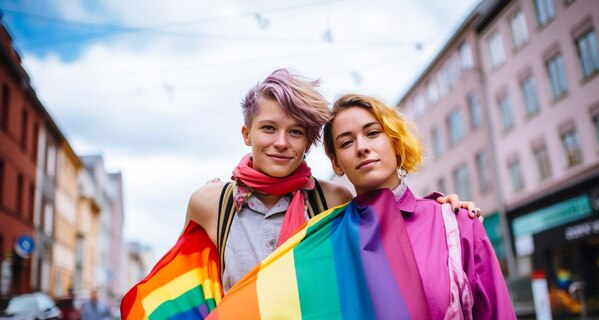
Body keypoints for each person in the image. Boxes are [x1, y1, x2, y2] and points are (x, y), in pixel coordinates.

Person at [321, 93, 542, 320]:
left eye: (372, 133)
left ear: (395, 142)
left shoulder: (457, 224)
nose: (362, 147)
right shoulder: (329, 245)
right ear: (337, 163)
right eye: (346, 142)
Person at [183, 68, 480, 293]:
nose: (282, 142)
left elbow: (392, 225)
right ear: (247, 134)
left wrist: (443, 209)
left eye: (296, 132)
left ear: (308, 141)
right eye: (269, 128)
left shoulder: (333, 201)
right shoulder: (211, 204)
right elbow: (185, 296)